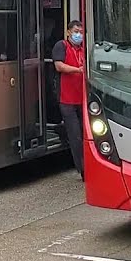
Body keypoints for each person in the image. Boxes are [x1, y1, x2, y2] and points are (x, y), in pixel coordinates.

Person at [53, 20, 87, 179]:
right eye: (75, 31)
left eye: (80, 31)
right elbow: (59, 66)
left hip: (83, 98)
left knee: (86, 133)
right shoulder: (61, 46)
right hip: (67, 99)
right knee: (75, 136)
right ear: (68, 32)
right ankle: (83, 170)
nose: (78, 34)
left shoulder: (83, 48)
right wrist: (78, 70)